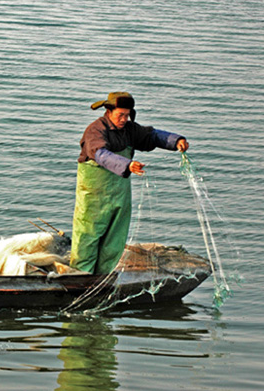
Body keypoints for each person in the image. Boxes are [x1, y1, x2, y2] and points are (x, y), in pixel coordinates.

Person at [70, 92, 189, 275]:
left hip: (119, 191)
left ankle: (104, 275)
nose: (125, 119)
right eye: (121, 115)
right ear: (109, 112)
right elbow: (100, 154)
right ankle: (81, 274)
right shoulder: (96, 130)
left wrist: (176, 141)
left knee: (116, 234)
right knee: (89, 232)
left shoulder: (129, 129)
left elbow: (153, 136)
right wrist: (127, 164)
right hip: (94, 192)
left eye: (127, 115)